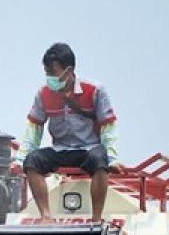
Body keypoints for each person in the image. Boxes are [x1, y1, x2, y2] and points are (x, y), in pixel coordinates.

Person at [12, 42, 121, 221]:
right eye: (46, 73)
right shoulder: (44, 93)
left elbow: (108, 127)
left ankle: (96, 217)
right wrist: (20, 159)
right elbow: (34, 130)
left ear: (68, 71)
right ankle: (46, 216)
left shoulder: (95, 91)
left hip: (89, 148)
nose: (49, 78)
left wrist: (113, 158)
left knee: (101, 160)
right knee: (32, 161)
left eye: (53, 73)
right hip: (60, 149)